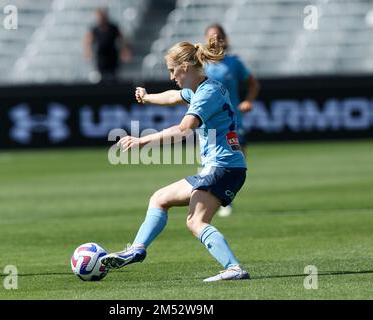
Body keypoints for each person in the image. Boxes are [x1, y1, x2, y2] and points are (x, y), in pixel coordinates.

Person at [100, 36, 250, 282]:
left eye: (173, 70)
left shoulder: (207, 94)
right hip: (222, 167)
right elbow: (173, 96)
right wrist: (148, 97)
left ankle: (234, 268)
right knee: (160, 198)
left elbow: (184, 129)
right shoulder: (203, 87)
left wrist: (142, 140)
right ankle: (137, 249)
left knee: (196, 221)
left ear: (186, 67)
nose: (172, 76)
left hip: (222, 167)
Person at [202, 24, 259, 217]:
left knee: (238, 162)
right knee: (210, 161)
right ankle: (209, 198)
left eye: (218, 36)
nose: (215, 40)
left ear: (225, 39)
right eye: (211, 37)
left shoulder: (234, 63)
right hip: (209, 123)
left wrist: (249, 101)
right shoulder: (201, 64)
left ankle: (225, 199)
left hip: (234, 121)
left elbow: (253, 83)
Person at [84, 8, 131, 83]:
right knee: (101, 77)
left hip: (112, 55)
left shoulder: (113, 27)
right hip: (101, 56)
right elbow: (88, 41)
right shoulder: (95, 29)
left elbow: (124, 39)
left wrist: (125, 51)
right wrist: (88, 52)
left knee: (114, 76)